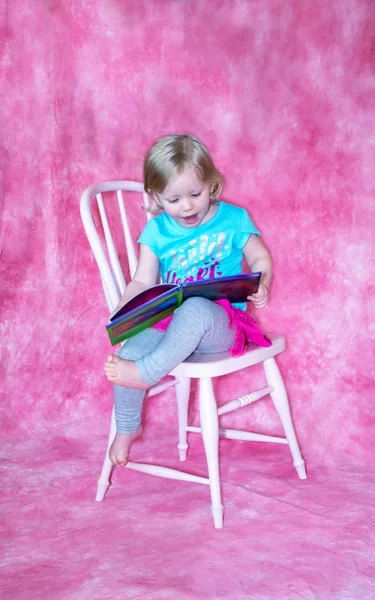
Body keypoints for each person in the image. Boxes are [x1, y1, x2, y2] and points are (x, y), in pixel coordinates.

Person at [104, 134, 272, 467]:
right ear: (155, 197)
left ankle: (145, 373)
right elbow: (142, 280)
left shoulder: (234, 219)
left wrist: (262, 283)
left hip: (218, 325)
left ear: (212, 185)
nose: (188, 206)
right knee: (130, 351)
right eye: (174, 199)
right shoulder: (156, 232)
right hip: (171, 323)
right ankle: (126, 429)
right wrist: (124, 311)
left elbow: (260, 258)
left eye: (196, 194)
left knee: (195, 308)